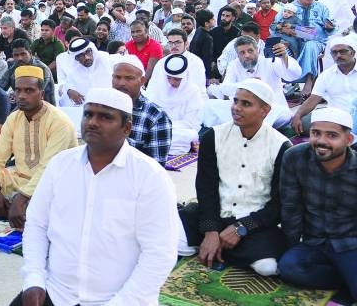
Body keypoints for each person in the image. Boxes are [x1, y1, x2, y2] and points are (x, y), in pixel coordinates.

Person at [18, 87, 178, 306]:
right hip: (56, 293)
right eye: (88, 114)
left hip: (120, 300)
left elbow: (160, 253)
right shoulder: (60, 165)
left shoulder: (150, 177)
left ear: (127, 128)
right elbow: (36, 224)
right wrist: (34, 280)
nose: (93, 122)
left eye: (105, 117)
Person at [177, 79, 290, 277]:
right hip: (213, 215)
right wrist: (211, 230)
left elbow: (278, 205)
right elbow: (206, 187)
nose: (236, 108)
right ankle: (218, 246)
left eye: (245, 104)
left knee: (267, 268)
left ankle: (216, 249)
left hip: (255, 224)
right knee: (171, 241)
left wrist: (241, 228)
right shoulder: (213, 136)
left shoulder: (281, 146)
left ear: (265, 110)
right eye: (235, 101)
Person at [0, 65, 77, 229]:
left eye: (29, 91)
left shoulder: (60, 123)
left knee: (53, 202)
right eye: (18, 90)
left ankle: (18, 208)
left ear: (41, 94)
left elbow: (48, 169)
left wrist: (21, 198)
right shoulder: (14, 118)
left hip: (50, 186)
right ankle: (19, 211)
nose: (21, 96)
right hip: (17, 180)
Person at [278, 107, 357, 299]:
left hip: (350, 243)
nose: (322, 141)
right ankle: (345, 278)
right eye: (316, 133)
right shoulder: (295, 157)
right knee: (288, 268)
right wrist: (292, 245)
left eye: (332, 135)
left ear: (349, 140)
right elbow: (290, 207)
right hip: (314, 241)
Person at [272, 0, 336, 96]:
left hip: (316, 42)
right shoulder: (288, 8)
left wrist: (330, 27)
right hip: (292, 42)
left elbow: (331, 27)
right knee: (279, 49)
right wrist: (285, 30)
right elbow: (274, 27)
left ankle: (309, 81)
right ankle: (285, 83)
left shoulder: (321, 7)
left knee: (310, 44)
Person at [291, 36, 357, 136]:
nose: (338, 55)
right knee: (303, 123)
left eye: (343, 51)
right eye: (334, 52)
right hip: (336, 118)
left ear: (352, 53)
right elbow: (313, 100)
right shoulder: (326, 76)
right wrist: (298, 115)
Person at [112, 55, 172, 164]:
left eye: (129, 78)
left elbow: (156, 168)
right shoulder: (102, 107)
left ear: (142, 81)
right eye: (117, 77)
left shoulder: (156, 116)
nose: (121, 83)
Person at [150, 54, 204, 156]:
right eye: (169, 78)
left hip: (181, 131)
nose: (171, 82)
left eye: (177, 79)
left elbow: (192, 123)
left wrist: (166, 126)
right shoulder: (160, 89)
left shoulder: (193, 91)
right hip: (159, 128)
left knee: (189, 135)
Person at [58, 37, 113, 107]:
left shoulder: (106, 59)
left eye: (88, 52)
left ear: (92, 50)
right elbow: (63, 89)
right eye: (81, 55)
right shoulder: (74, 72)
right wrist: (68, 91)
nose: (87, 57)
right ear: (76, 58)